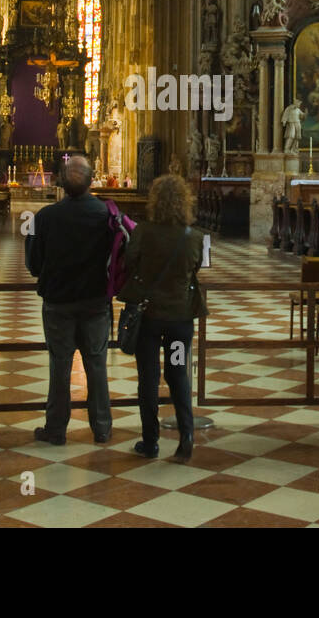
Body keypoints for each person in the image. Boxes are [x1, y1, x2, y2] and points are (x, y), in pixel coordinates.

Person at [24, 154, 114, 445]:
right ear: (91, 181)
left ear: (61, 181)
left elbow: (33, 263)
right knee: (97, 364)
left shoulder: (45, 217)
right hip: (96, 302)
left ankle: (56, 429)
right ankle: (101, 427)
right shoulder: (106, 215)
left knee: (60, 365)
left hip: (58, 303)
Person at [122, 174, 205, 461]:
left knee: (148, 377)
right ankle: (187, 436)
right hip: (180, 321)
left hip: (149, 318)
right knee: (178, 374)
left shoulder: (143, 232)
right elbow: (196, 267)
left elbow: (129, 261)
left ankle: (150, 440)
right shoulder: (194, 237)